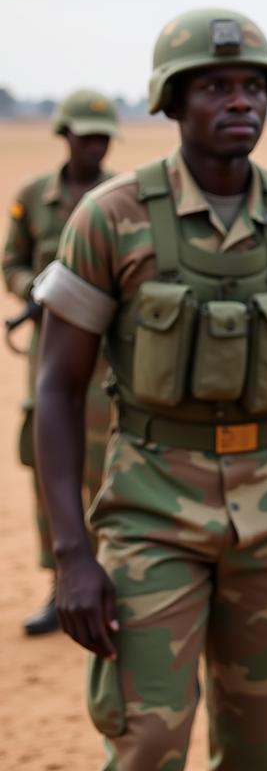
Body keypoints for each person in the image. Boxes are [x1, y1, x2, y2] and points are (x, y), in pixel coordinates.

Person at [32, 7, 267, 771]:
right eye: (216, 86)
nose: (240, 102)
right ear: (172, 102)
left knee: (263, 740)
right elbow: (57, 389)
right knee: (147, 737)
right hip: (151, 511)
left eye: (253, 86)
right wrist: (72, 555)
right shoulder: (111, 218)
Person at [3, 89, 119, 636]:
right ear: (65, 137)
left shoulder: (120, 200)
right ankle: (59, 583)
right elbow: (13, 260)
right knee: (47, 471)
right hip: (50, 360)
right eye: (85, 136)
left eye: (102, 138)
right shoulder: (33, 197)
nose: (94, 146)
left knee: (103, 475)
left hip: (104, 368)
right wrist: (37, 290)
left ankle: (109, 578)